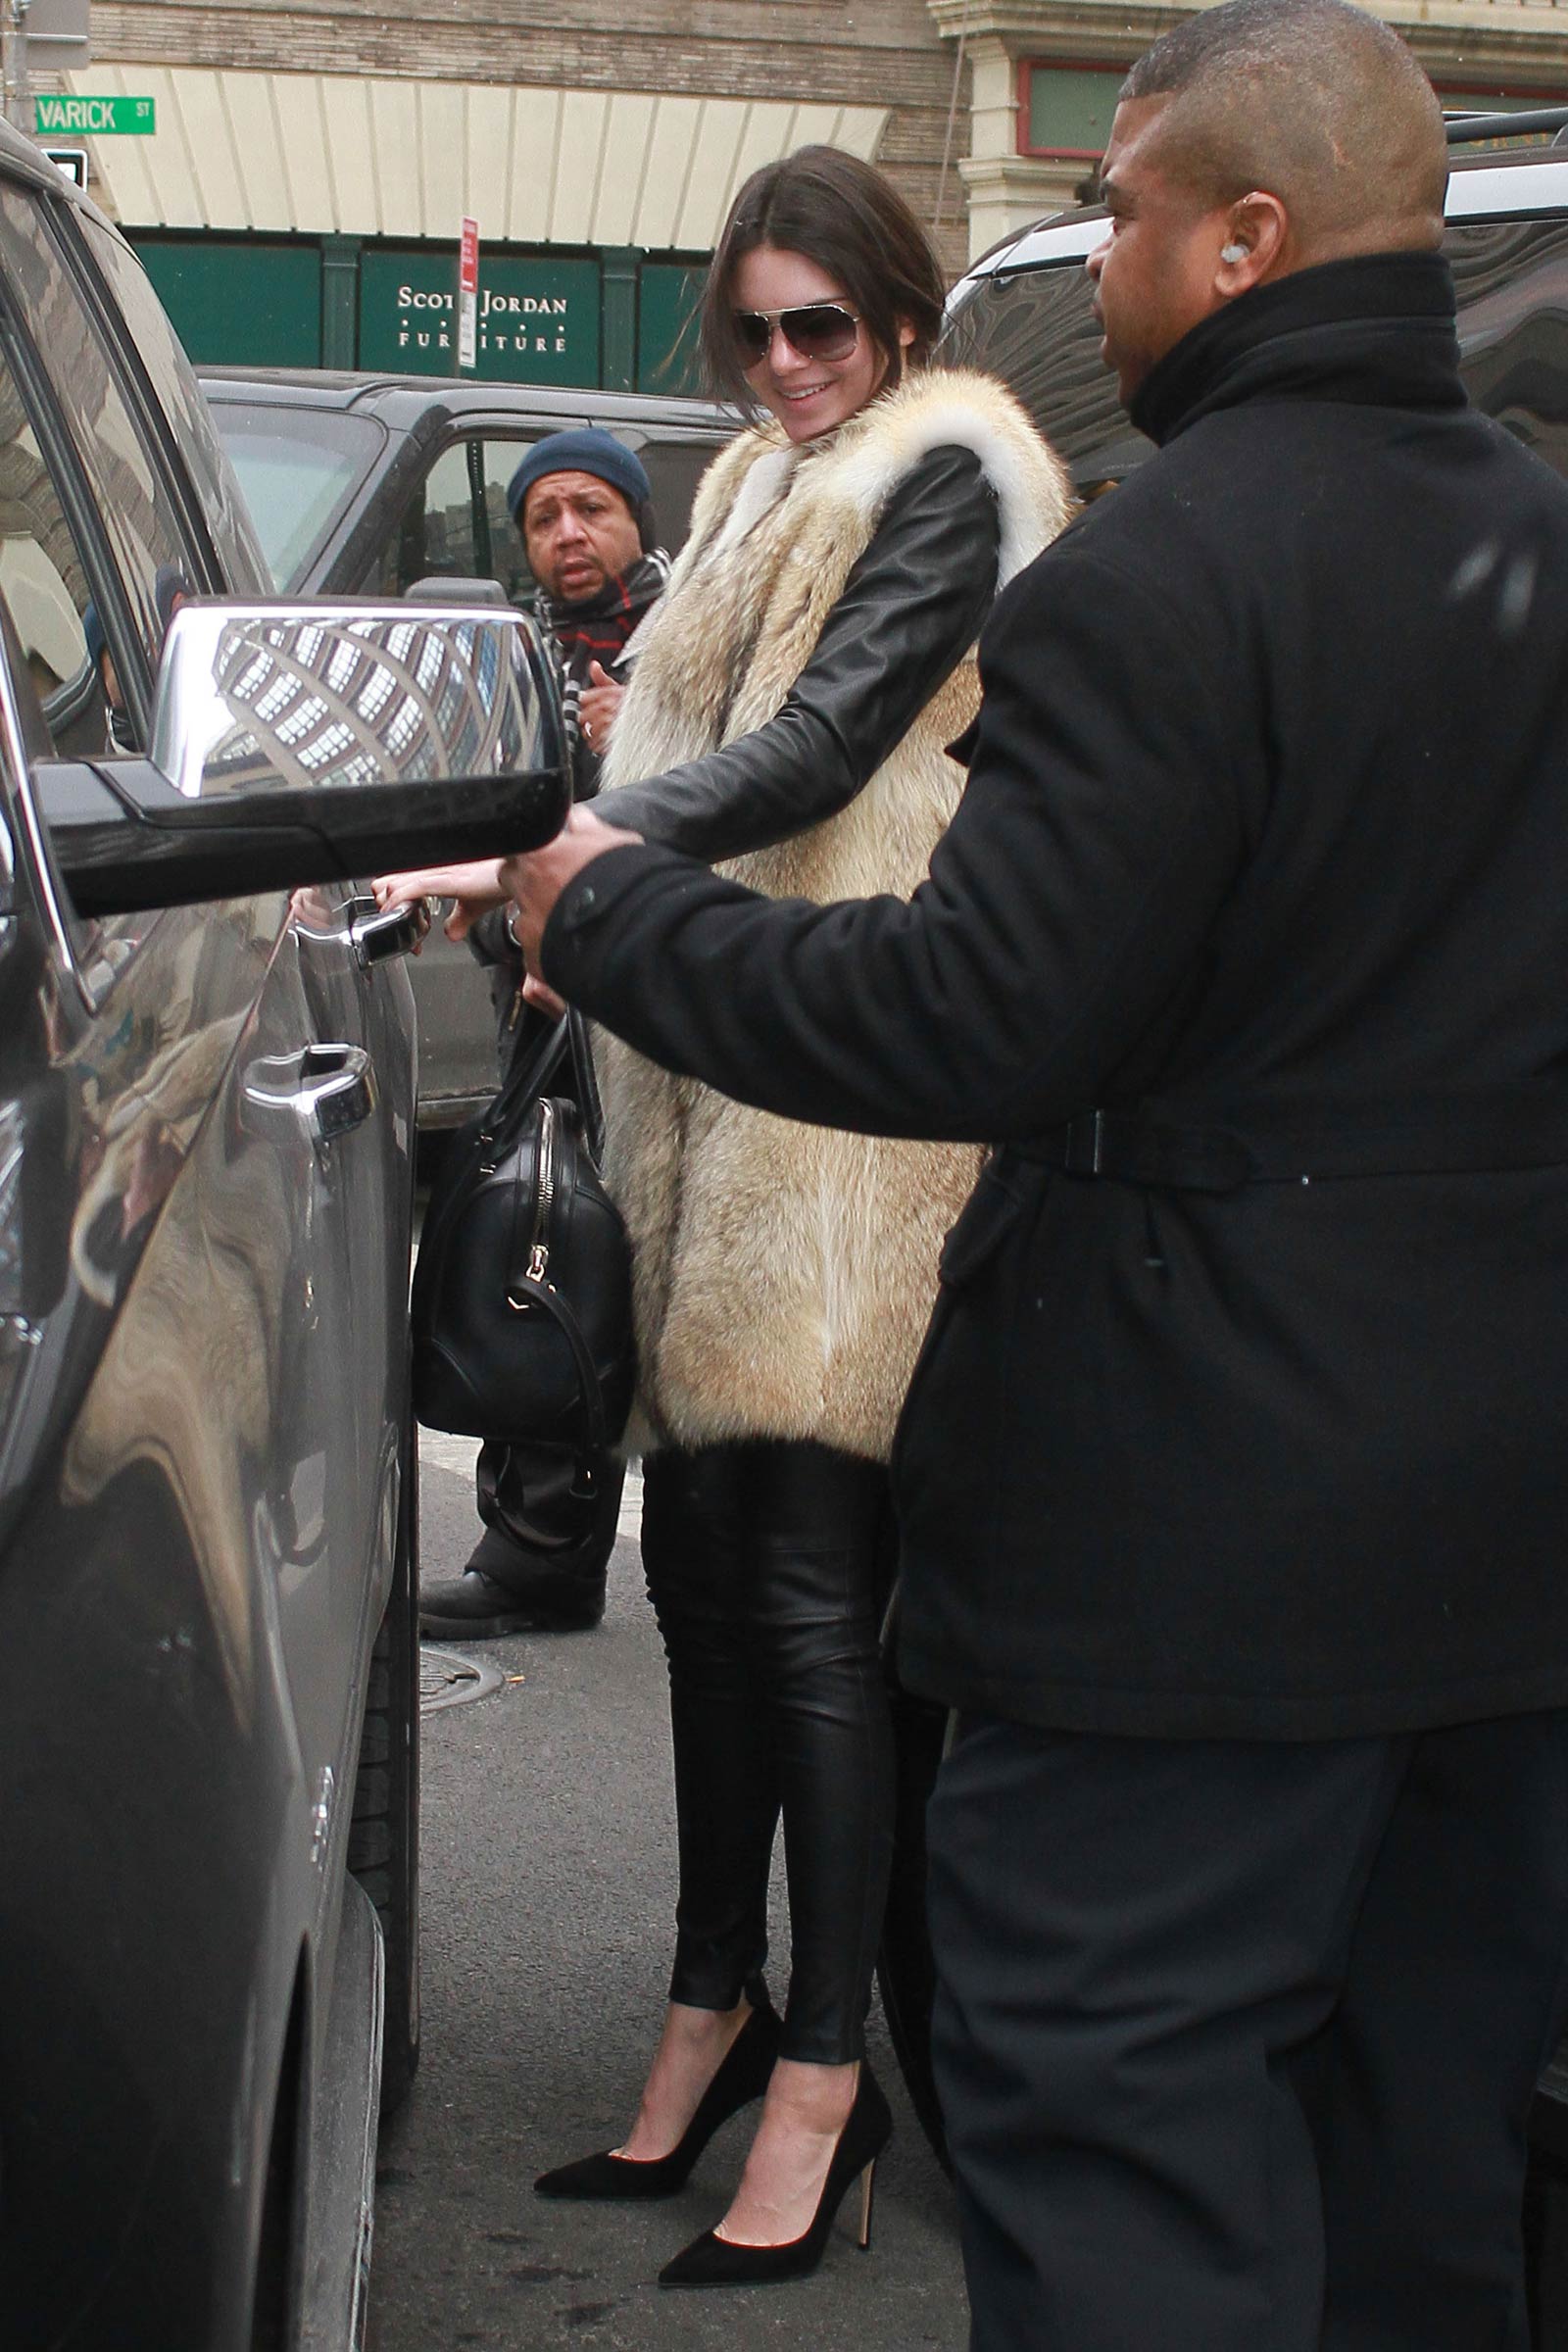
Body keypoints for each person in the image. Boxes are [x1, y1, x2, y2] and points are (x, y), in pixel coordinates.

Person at [500, 7, 1568, 2345]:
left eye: (1124, 220)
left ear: (1248, 237)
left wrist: (602, 912)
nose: (1095, 275)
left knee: (1116, 2139)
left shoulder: (1148, 573)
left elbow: (965, 1011)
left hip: (1192, 1542)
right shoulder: (1527, 536)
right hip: (1502, 1542)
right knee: (1428, 2157)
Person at [378, 144, 1069, 2286]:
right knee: (697, 1589)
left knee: (808, 1610)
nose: (779, 366)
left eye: (819, 329)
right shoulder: (773, 481)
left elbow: (823, 742)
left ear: (900, 315)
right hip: (717, 1095)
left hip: (854, 1120)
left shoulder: (945, 467)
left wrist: (571, 845)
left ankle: (825, 2080)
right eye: (750, 331)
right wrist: (493, 842)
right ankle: (710, 2007)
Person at [408, 428, 670, 1641]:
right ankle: (539, 1547)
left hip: (676, 1009)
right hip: (543, 999)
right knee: (538, 1241)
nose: (568, 536)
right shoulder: (517, 655)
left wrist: (639, 743)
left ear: (634, 519)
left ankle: (621, 1544)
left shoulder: (689, 639)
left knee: (618, 1260)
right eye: (543, 517)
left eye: (590, 510)